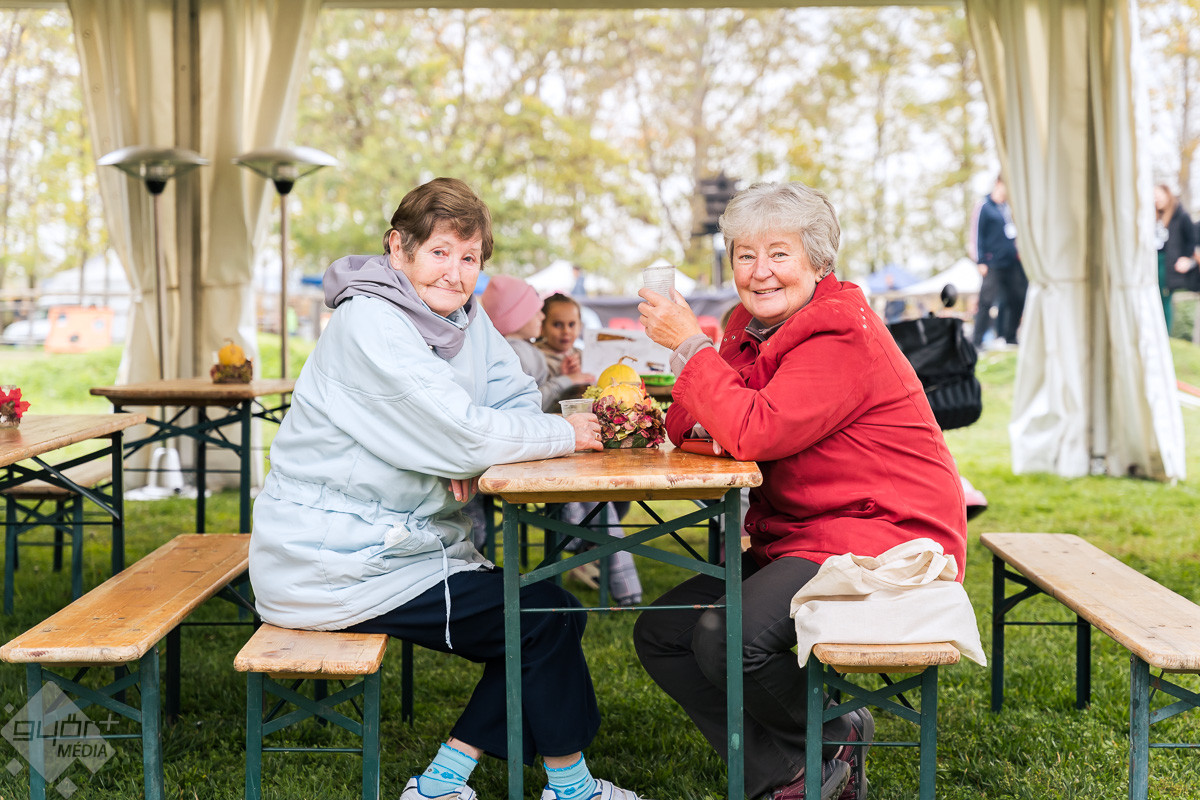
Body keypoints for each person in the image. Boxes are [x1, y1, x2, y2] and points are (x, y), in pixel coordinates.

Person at [249, 177, 648, 800]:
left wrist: (476, 444)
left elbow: (511, 395)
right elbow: (464, 431)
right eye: (439, 252)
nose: (455, 273)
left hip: (399, 548)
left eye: (469, 258)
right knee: (543, 619)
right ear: (398, 247)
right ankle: (569, 788)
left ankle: (447, 780)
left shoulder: (463, 314)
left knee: (551, 614)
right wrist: (528, 436)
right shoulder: (371, 323)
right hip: (334, 561)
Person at [633, 181, 968, 800]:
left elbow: (750, 429)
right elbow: (686, 420)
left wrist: (690, 348)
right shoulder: (748, 325)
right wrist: (718, 400)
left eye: (779, 253)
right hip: (804, 531)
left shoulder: (839, 332)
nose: (759, 272)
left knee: (726, 638)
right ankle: (799, 766)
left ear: (818, 261)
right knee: (664, 634)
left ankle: (830, 738)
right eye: (745, 255)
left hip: (882, 535)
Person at [480, 274, 591, 412]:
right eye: (536, 311)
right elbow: (526, 404)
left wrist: (561, 377)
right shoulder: (516, 353)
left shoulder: (518, 348)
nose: (542, 316)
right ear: (520, 317)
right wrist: (566, 380)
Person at [972, 175, 1026, 348]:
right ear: (998, 184)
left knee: (1018, 297)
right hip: (992, 263)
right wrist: (980, 260)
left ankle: (1010, 336)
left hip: (1011, 263)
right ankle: (977, 341)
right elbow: (977, 234)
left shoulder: (1007, 208)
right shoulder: (985, 206)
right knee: (986, 301)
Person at [1154, 184, 1197, 333]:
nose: (1156, 200)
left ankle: (1165, 334)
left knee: (1164, 299)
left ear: (1167, 195)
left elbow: (1192, 240)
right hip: (1154, 261)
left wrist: (1187, 259)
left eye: (1159, 196)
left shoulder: (1181, 216)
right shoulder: (1154, 217)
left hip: (1168, 265)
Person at [537, 293, 589, 380]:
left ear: (580, 326)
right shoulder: (536, 358)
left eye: (571, 324)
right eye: (557, 324)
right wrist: (564, 378)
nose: (566, 331)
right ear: (542, 327)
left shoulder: (582, 356)